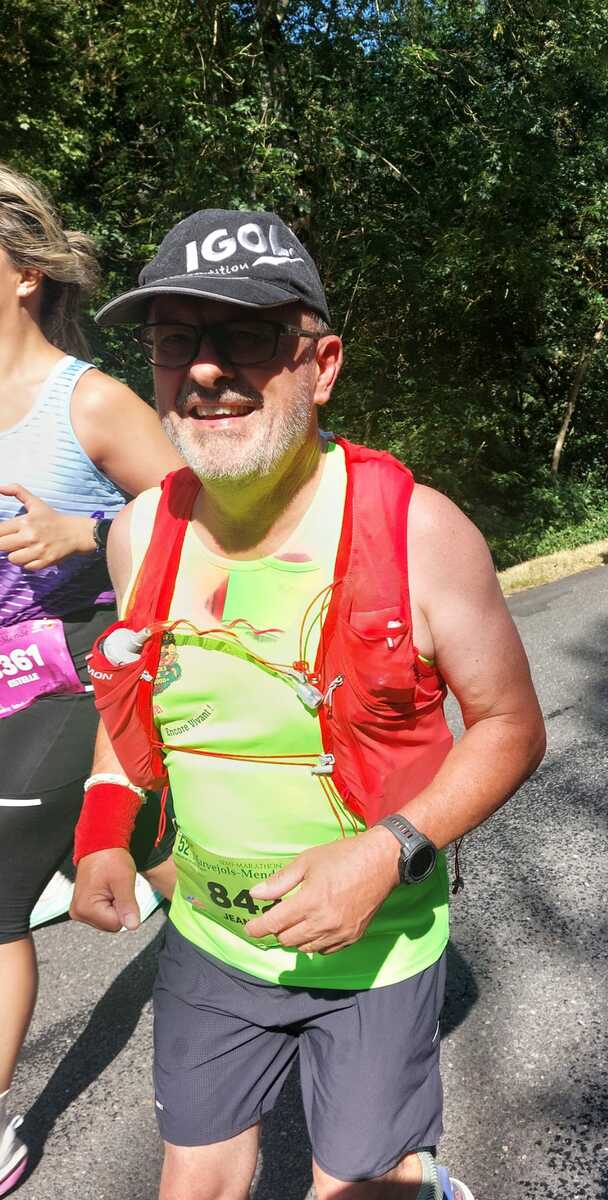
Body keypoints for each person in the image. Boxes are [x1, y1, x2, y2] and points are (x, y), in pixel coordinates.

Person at [70, 208, 546, 1200]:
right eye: (175, 342)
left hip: (379, 949)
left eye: (246, 337)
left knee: (360, 1187)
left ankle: (413, 1171)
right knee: (191, 1184)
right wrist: (105, 828)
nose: (205, 370)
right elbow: (134, 709)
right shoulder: (138, 533)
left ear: (321, 365)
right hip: (210, 941)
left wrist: (385, 853)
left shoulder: (421, 533)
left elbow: (510, 728)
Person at [0, 163, 182, 1197]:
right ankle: (231, 921)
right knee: (159, 848)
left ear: (25, 273)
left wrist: (88, 529)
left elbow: (197, 520)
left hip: (73, 672)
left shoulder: (93, 402)